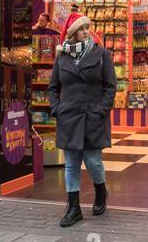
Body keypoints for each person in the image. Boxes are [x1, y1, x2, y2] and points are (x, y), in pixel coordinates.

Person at [48, 12, 117, 228]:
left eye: (87, 27)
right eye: (81, 28)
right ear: (72, 33)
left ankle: (100, 190)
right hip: (69, 117)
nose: (86, 31)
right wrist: (57, 109)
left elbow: (110, 86)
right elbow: (53, 87)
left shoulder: (101, 54)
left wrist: (101, 110)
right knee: (71, 164)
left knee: (93, 161)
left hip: (92, 116)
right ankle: (74, 207)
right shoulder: (62, 56)